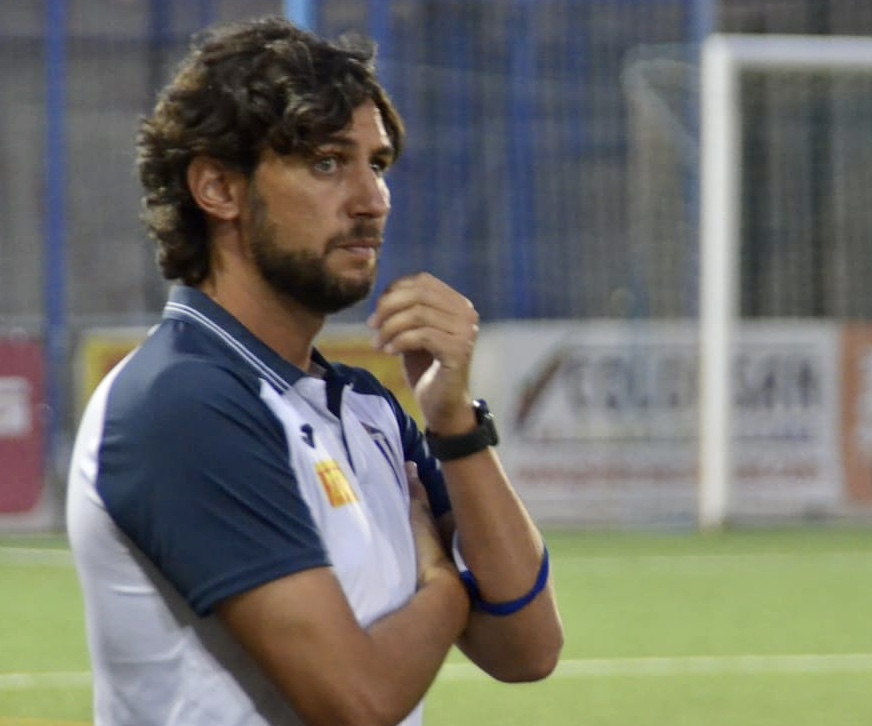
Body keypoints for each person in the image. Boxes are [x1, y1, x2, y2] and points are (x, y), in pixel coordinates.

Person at [65, 16, 563, 726]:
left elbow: (528, 648)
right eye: (328, 162)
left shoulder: (364, 407)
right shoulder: (182, 401)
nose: (371, 200)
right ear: (217, 188)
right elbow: (353, 704)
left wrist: (452, 424)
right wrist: (444, 590)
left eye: (377, 164)